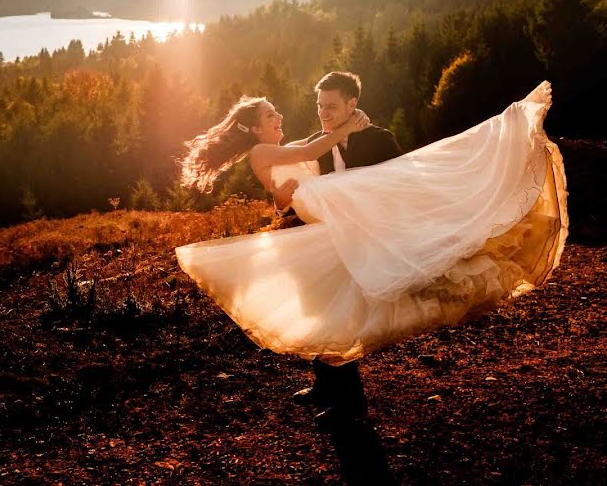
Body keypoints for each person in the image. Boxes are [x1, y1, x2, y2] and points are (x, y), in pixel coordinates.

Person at [175, 77, 568, 426]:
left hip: (351, 233)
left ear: (350, 103)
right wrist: (292, 194)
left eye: (331, 106)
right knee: (323, 310)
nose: (319, 113)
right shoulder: (291, 147)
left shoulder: (370, 139)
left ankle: (346, 400)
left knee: (336, 311)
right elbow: (299, 174)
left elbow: (399, 179)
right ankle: (329, 390)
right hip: (312, 235)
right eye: (318, 107)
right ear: (255, 127)